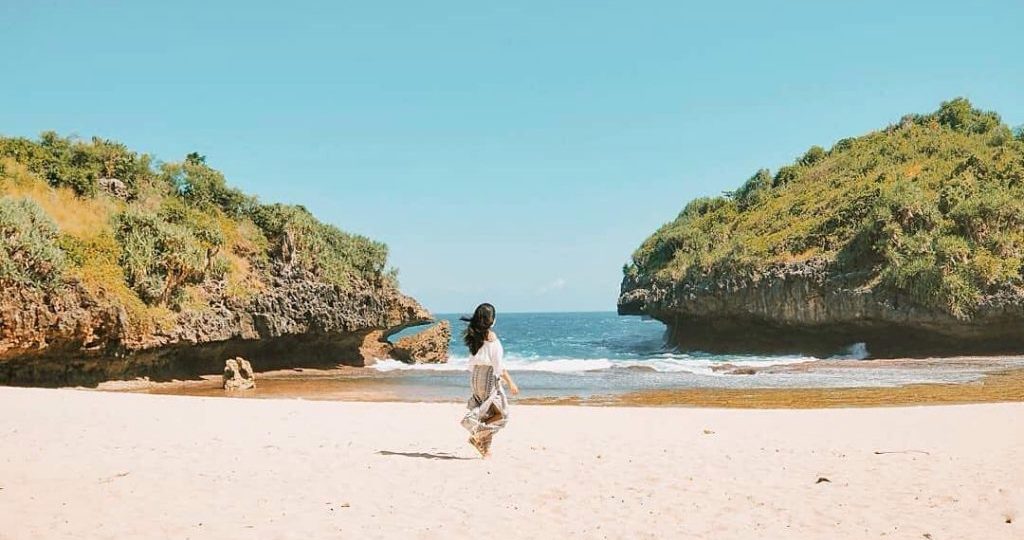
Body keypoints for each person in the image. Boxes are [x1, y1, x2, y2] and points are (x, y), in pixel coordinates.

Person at [460, 303, 519, 458]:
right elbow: (498, 366)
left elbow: (472, 361)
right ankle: (477, 433)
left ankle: (485, 450)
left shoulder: (475, 336)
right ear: (491, 320)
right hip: (487, 378)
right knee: (502, 415)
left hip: (475, 378)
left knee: (490, 413)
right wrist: (511, 383)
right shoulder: (492, 338)